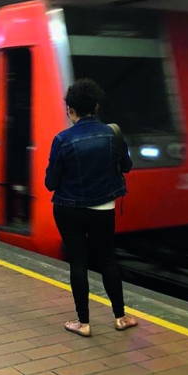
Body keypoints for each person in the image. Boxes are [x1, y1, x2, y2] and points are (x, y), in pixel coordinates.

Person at [44, 78, 138, 337]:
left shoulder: (62, 140)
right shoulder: (112, 134)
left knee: (78, 262)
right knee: (107, 260)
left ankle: (83, 323)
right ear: (96, 107)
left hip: (68, 209)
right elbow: (126, 166)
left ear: (70, 111)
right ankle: (120, 317)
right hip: (103, 208)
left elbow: (50, 183)